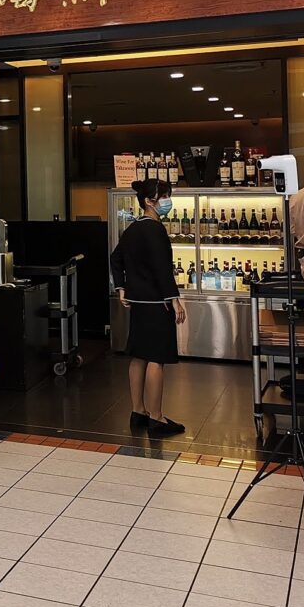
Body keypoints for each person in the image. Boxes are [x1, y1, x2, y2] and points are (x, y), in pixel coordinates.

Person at [110, 179, 187, 436]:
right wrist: (174, 299)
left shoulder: (133, 229)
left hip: (138, 302)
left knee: (139, 355)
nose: (167, 201)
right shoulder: (155, 229)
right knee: (156, 358)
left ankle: (138, 411)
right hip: (157, 302)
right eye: (163, 196)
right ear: (148, 201)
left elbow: (115, 258)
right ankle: (157, 417)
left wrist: (121, 287)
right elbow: (161, 267)